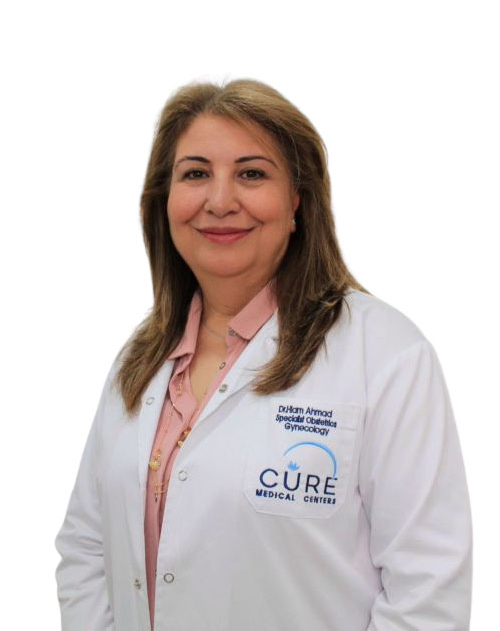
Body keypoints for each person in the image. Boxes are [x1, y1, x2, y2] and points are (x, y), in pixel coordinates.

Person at [54, 78, 472, 631]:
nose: (220, 201)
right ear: (165, 201)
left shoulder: (386, 355)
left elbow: (428, 588)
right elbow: (87, 546)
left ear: (297, 201)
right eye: (195, 174)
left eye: (251, 174)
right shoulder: (140, 357)